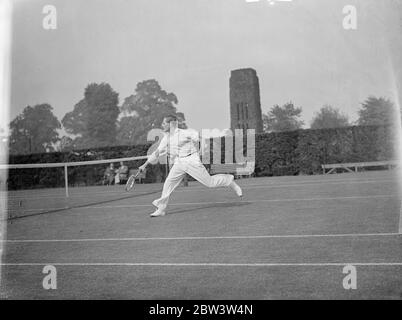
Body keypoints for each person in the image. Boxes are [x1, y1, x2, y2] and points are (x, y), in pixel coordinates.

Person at [138, 115, 243, 217]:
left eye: (164, 123)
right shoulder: (166, 137)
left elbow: (200, 138)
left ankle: (230, 181)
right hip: (179, 162)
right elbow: (157, 152)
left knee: (210, 183)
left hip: (191, 160)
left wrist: (201, 149)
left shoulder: (185, 133)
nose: (162, 125)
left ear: (171, 124)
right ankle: (161, 209)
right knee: (168, 183)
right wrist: (144, 164)